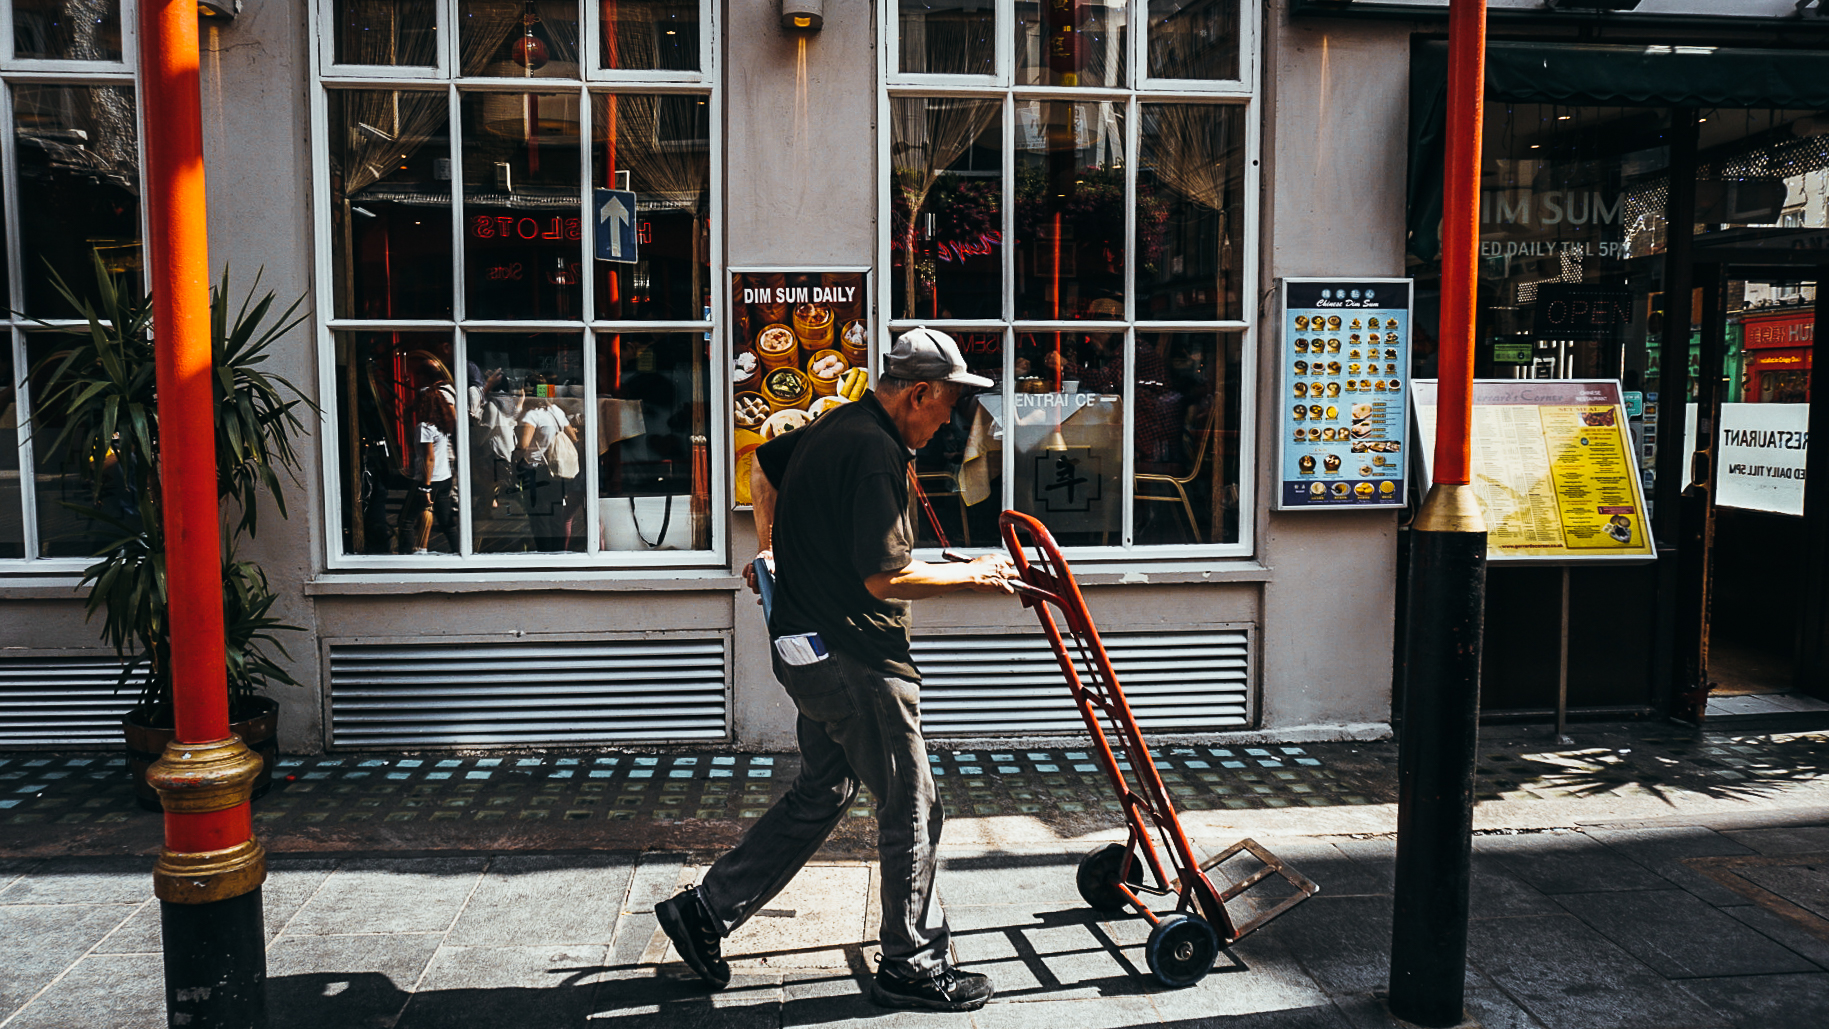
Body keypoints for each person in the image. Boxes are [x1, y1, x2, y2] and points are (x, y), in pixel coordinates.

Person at [656, 328, 1016, 1013]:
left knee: (824, 789)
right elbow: (884, 578)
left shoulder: (838, 420)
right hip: (857, 660)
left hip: (805, 649)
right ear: (917, 392)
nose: (949, 420)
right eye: (948, 403)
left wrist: (770, 556)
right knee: (912, 805)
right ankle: (910, 962)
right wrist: (975, 572)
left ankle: (704, 910)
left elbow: (763, 467)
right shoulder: (876, 449)